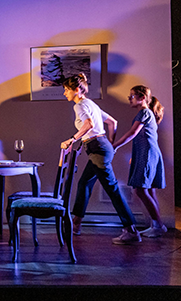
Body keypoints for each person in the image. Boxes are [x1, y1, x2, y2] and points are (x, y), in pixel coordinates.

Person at [60, 73, 141, 245]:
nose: (64, 93)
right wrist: (108, 143)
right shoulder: (91, 104)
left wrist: (71, 140)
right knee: (84, 183)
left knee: (112, 188)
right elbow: (113, 122)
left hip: (97, 148)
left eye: (66, 90)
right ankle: (76, 224)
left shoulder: (80, 106)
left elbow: (88, 124)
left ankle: (131, 230)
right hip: (100, 147)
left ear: (76, 90)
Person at [113, 85, 167, 237]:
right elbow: (142, 137)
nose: (129, 99)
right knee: (149, 190)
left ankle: (158, 225)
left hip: (148, 154)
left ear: (142, 98)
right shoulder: (147, 113)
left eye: (132, 96)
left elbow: (133, 133)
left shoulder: (144, 112)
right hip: (147, 153)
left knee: (141, 189)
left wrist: (114, 146)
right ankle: (156, 225)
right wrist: (135, 156)